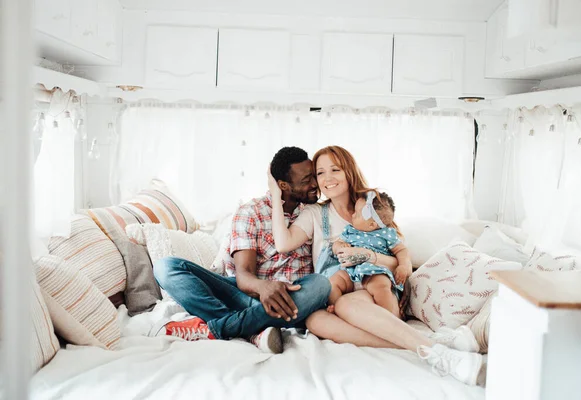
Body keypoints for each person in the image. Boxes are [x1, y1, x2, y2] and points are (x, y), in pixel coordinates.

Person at [268, 145, 484, 386]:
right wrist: (275, 195)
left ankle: (433, 350)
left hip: (374, 286)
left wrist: (368, 256)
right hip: (339, 288)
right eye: (320, 173)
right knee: (314, 321)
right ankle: (432, 346)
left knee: (347, 303)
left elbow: (397, 258)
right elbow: (283, 243)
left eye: (335, 169)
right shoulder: (315, 213)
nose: (327, 178)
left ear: (348, 171)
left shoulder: (372, 206)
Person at [152, 147, 331, 354]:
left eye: (314, 176)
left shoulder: (315, 213)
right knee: (166, 267)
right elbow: (243, 275)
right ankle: (251, 329)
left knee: (320, 285)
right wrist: (264, 288)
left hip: (292, 301)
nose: (315, 184)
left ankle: (224, 327)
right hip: (246, 294)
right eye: (306, 180)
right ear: (283, 185)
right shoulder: (252, 212)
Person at [327, 191, 410, 317]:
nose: (353, 215)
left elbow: (401, 250)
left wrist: (403, 265)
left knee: (381, 287)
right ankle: (336, 308)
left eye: (357, 214)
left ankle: (388, 317)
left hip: (374, 271)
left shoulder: (386, 234)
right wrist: (340, 246)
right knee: (333, 283)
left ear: (372, 224)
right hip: (350, 271)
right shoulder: (349, 230)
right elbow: (336, 245)